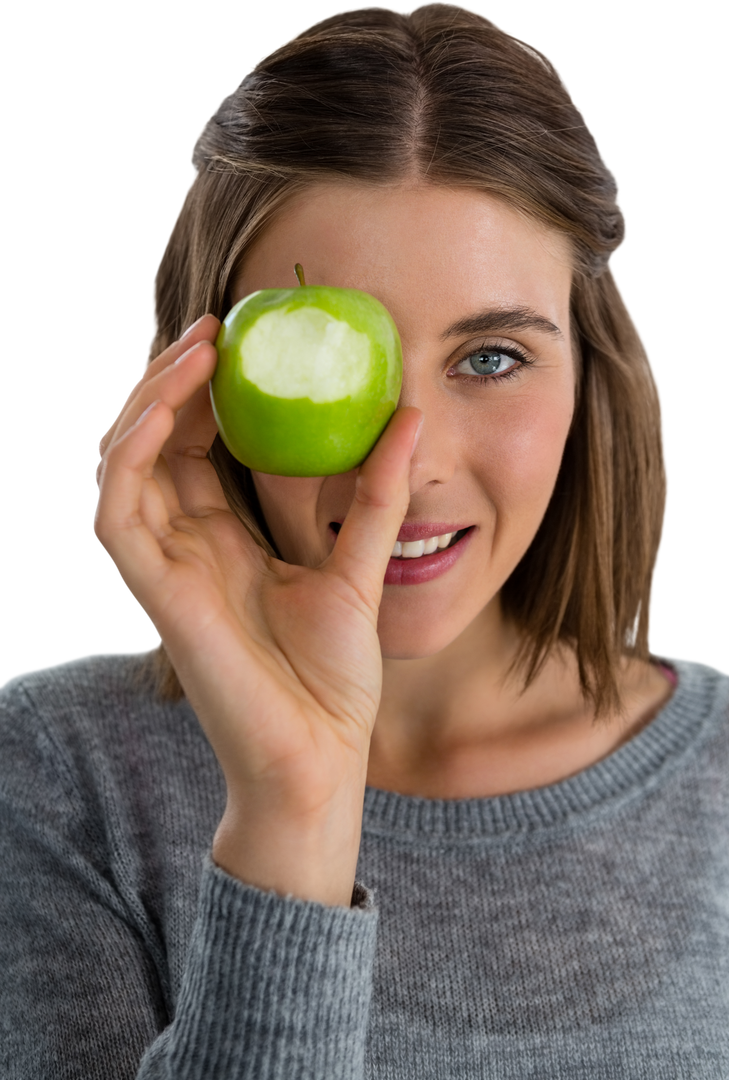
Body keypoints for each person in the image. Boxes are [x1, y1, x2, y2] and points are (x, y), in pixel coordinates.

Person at [2, 5, 727, 1078]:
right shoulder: (56, 770)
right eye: (320, 357)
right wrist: (293, 807)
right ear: (195, 388)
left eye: (489, 358)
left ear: (587, 373)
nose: (408, 467)